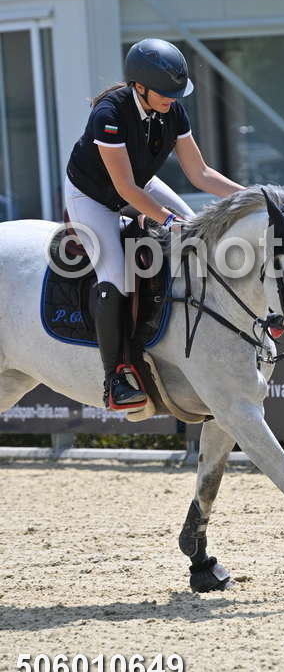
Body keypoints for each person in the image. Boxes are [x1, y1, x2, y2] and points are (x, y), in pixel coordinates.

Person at [65, 38, 244, 409]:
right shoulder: (108, 115)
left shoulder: (172, 110)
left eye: (176, 93)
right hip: (93, 197)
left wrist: (254, 196)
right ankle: (115, 378)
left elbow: (201, 173)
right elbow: (124, 189)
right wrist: (168, 220)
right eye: (165, 92)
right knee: (114, 273)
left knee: (195, 238)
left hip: (139, 183)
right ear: (139, 86)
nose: (172, 99)